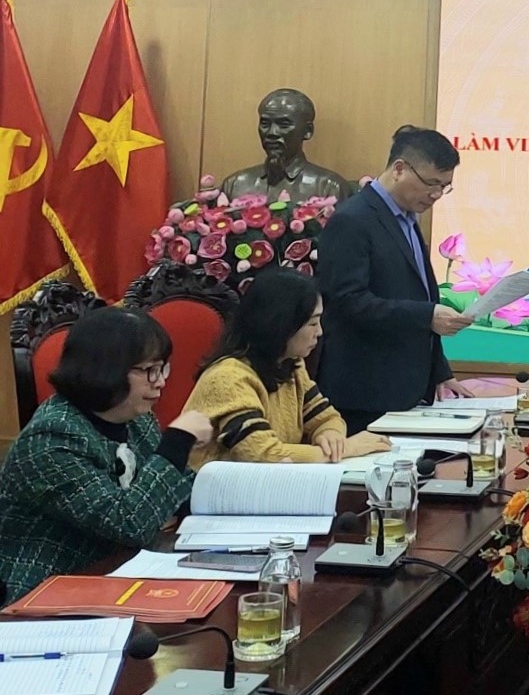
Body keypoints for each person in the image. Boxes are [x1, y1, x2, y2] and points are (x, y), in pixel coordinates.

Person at [0, 308, 214, 605]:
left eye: (162, 368)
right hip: (45, 595)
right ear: (105, 369)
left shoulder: (136, 419)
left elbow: (178, 493)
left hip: (121, 575)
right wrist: (177, 442)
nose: (160, 382)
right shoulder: (52, 437)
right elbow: (129, 523)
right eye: (148, 370)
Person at [317, 125, 474, 432]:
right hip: (365, 394)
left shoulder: (407, 219)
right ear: (400, 169)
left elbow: (419, 295)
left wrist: (440, 372)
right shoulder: (353, 220)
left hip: (406, 393)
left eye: (444, 186)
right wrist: (426, 316)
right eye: (431, 183)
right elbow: (346, 302)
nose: (436, 195)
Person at [186, 267, 392, 465]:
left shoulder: (290, 364)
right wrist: (346, 449)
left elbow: (326, 417)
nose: (319, 332)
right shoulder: (228, 378)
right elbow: (262, 454)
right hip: (215, 487)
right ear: (281, 324)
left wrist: (331, 436)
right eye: (312, 323)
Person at [221, 88, 355, 203]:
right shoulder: (235, 184)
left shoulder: (330, 188)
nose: (272, 133)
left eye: (284, 125)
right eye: (265, 124)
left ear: (307, 131)